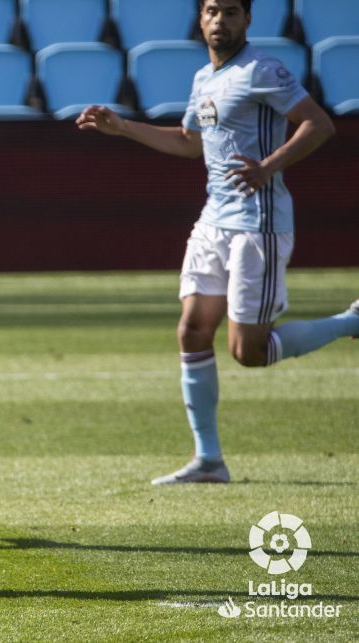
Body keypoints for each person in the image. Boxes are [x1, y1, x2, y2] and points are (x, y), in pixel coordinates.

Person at [77, 0, 358, 485]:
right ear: (200, 19)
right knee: (190, 330)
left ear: (248, 19)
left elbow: (320, 123)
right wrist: (122, 127)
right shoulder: (203, 79)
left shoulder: (262, 69)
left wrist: (268, 166)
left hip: (258, 224)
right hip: (214, 221)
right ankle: (209, 460)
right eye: (212, 11)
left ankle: (349, 321)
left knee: (248, 352)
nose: (220, 21)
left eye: (231, 11)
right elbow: (189, 142)